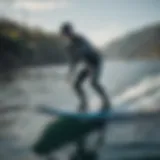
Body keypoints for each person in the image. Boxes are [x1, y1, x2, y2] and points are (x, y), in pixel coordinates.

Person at [60, 22, 111, 112]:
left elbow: (87, 50)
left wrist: (76, 53)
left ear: (71, 31)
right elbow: (73, 62)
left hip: (96, 62)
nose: (66, 35)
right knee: (76, 85)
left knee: (93, 83)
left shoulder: (80, 39)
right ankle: (84, 103)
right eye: (65, 33)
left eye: (67, 32)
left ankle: (106, 102)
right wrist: (69, 74)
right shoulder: (70, 47)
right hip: (88, 65)